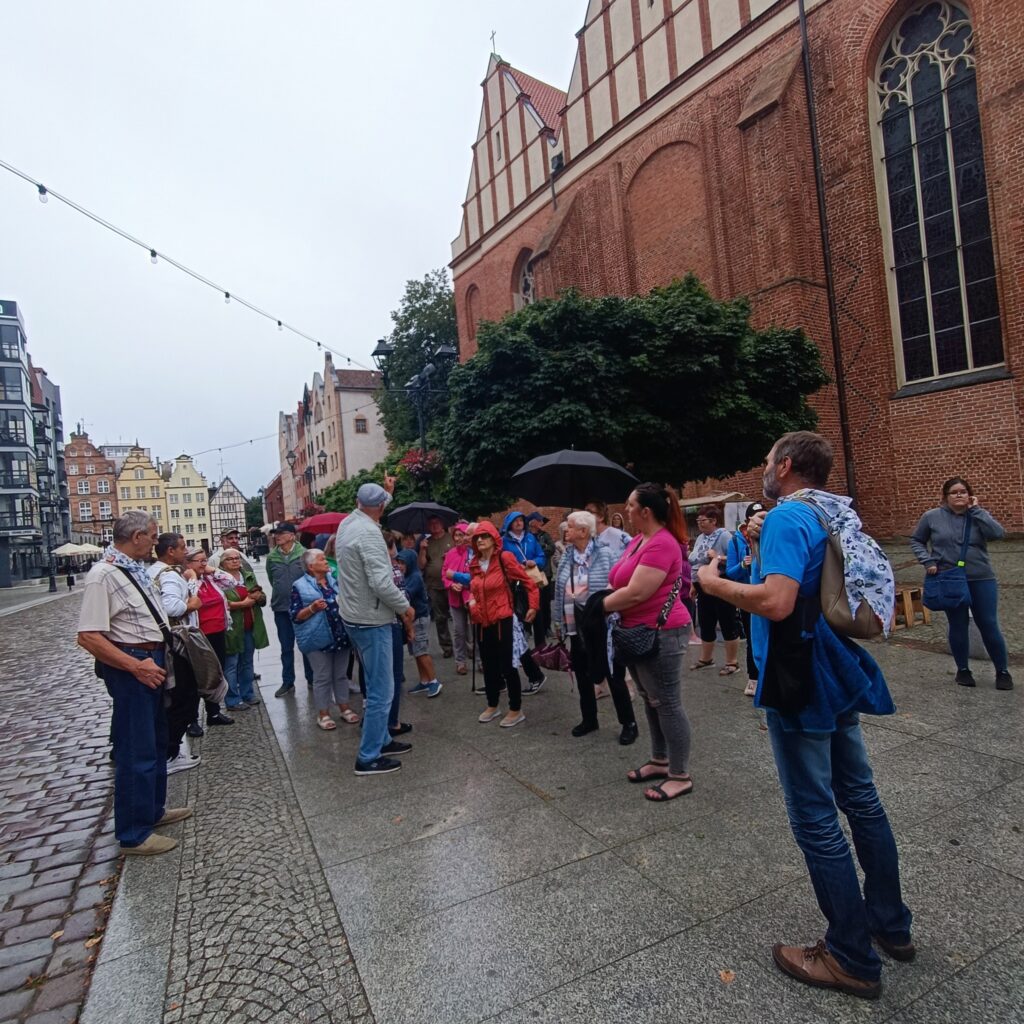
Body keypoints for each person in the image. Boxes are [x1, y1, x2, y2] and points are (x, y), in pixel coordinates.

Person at [698, 430, 911, 999]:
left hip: (798, 676)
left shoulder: (790, 517)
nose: (764, 468)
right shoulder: (825, 510)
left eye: (768, 460)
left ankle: (849, 956)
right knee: (861, 799)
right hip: (833, 667)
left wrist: (713, 583)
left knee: (815, 817)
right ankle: (891, 926)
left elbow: (776, 601)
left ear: (786, 465)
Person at [77, 511, 191, 856]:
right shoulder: (103, 575)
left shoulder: (133, 569)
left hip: (152, 661)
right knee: (135, 748)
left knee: (155, 741)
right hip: (133, 667)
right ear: (137, 536)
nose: (157, 543)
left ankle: (151, 811)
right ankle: (133, 834)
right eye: (154, 537)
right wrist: (135, 667)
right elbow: (89, 637)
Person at [604, 484, 693, 801]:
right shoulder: (640, 540)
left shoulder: (662, 544)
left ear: (646, 511)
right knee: (651, 699)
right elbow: (622, 581)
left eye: (629, 505)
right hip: (638, 631)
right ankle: (660, 760)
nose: (625, 509)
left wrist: (599, 606)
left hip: (663, 631)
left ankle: (680, 775)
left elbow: (639, 591)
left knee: (667, 703)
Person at [335, 483, 415, 775]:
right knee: (382, 690)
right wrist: (405, 606)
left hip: (354, 615)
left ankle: (382, 739)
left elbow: (374, 506)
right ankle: (368, 757)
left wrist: (388, 492)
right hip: (372, 619)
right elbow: (382, 584)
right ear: (380, 507)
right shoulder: (370, 534)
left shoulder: (349, 523)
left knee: (374, 679)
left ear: (357, 502)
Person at [910, 478, 1012, 690]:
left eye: (963, 492)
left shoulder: (977, 516)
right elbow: (917, 540)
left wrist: (977, 511)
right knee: (958, 624)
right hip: (949, 577)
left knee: (988, 624)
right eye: (954, 492)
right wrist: (927, 560)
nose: (959, 495)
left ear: (970, 495)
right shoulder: (931, 517)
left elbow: (998, 534)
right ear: (945, 497)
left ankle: (1002, 671)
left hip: (981, 577)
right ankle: (963, 670)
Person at [553, 510, 638, 742]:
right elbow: (559, 590)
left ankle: (629, 723)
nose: (565, 529)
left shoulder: (606, 554)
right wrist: (558, 621)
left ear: (583, 531)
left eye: (570, 526)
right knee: (582, 674)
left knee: (613, 674)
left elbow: (619, 585)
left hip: (603, 624)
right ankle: (589, 719)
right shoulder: (567, 556)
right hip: (575, 624)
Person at [466, 521, 539, 728]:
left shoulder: (504, 558)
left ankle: (516, 709)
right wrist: (472, 603)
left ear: (493, 539)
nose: (479, 540)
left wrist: (533, 606)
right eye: (476, 537)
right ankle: (492, 705)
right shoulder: (474, 563)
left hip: (503, 619)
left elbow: (528, 582)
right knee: (489, 667)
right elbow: (473, 589)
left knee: (508, 666)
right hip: (482, 622)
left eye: (484, 536)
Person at [148, 532, 203, 775]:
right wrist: (192, 597)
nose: (185, 551)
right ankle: (172, 752)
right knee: (184, 697)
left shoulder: (152, 571)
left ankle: (169, 749)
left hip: (165, 643)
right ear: (171, 551)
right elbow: (172, 607)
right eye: (182, 547)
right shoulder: (169, 574)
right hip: (179, 641)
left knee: (172, 699)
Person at [291, 548, 360, 730]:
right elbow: (295, 616)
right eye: (322, 559)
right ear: (311, 566)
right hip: (317, 638)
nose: (327, 562)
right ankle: (323, 714)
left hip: (341, 635)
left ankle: (344, 708)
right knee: (322, 677)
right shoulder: (299, 586)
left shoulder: (334, 581)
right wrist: (312, 608)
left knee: (341, 675)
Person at [499, 512, 548, 693]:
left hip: (531, 582)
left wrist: (534, 561)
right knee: (517, 626)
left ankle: (540, 651)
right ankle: (512, 669)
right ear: (509, 524)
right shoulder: (504, 542)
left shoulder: (530, 538)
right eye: (515, 521)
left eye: (521, 521)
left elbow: (542, 556)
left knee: (535, 617)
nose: (519, 523)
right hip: (514, 586)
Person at [185, 547, 234, 727]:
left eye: (205, 560)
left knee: (216, 673)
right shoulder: (186, 581)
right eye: (199, 561)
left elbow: (231, 582)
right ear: (188, 563)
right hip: (199, 635)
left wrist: (213, 570)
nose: (204, 564)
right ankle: (192, 720)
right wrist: (191, 578)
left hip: (218, 631)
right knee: (197, 676)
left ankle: (213, 712)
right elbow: (191, 599)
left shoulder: (210, 579)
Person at [690, 505, 741, 675]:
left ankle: (732, 662)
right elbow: (696, 563)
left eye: (703, 520)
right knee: (706, 621)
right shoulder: (700, 538)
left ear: (713, 521)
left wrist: (718, 557)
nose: (699, 523)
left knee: (727, 621)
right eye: (698, 520)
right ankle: (706, 659)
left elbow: (736, 558)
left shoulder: (724, 536)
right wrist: (693, 584)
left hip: (720, 583)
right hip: (702, 585)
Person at [266, 523, 314, 697]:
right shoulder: (272, 557)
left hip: (303, 608)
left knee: (306, 645)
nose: (277, 536)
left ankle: (312, 679)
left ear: (292, 536)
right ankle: (288, 682)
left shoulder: (304, 555)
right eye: (276, 533)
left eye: (281, 533)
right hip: (281, 607)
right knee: (286, 647)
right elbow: (273, 581)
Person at [220, 548, 268, 710]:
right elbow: (221, 604)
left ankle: (248, 693)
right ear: (222, 563)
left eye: (237, 558)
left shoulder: (247, 575)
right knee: (231, 664)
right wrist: (242, 604)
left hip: (250, 626)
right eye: (230, 559)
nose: (235, 561)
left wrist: (258, 596)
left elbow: (262, 597)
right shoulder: (219, 579)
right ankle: (233, 699)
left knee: (247, 662)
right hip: (232, 628)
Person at [725, 502, 764, 696]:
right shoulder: (735, 541)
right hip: (748, 596)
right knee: (752, 637)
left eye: (763, 516)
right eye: (754, 518)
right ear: (747, 522)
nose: (758, 522)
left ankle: (769, 675)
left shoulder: (771, 536)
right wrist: (742, 564)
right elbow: (730, 572)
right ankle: (754, 677)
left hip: (766, 594)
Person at [396, 549, 442, 698]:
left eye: (403, 563)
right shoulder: (405, 576)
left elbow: (406, 594)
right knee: (416, 651)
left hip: (420, 618)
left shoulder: (415, 577)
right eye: (399, 562)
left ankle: (434, 680)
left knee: (421, 651)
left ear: (410, 562)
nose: (400, 566)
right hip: (412, 619)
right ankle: (424, 681)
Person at [418, 516, 454, 658]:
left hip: (452, 583)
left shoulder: (451, 538)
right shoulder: (426, 543)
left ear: (442, 523)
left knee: (459, 617)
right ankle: (447, 647)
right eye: (431, 524)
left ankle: (467, 647)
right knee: (440, 617)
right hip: (434, 585)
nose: (434, 526)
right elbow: (421, 565)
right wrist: (422, 550)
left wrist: (450, 557)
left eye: (437, 523)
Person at [442, 522, 475, 675]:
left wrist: (462, 582)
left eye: (461, 535)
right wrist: (450, 584)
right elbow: (444, 574)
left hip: (471, 597)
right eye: (456, 535)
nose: (458, 538)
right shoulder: (450, 554)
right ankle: (460, 662)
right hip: (455, 598)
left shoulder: (473, 553)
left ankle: (480, 660)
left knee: (475, 630)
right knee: (459, 631)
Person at [527, 513, 556, 643]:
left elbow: (551, 548)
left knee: (545, 602)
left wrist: (539, 551)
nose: (541, 523)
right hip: (530, 575)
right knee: (529, 603)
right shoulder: (526, 536)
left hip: (544, 573)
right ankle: (528, 628)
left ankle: (547, 627)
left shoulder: (545, 535)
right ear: (533, 522)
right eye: (539, 521)